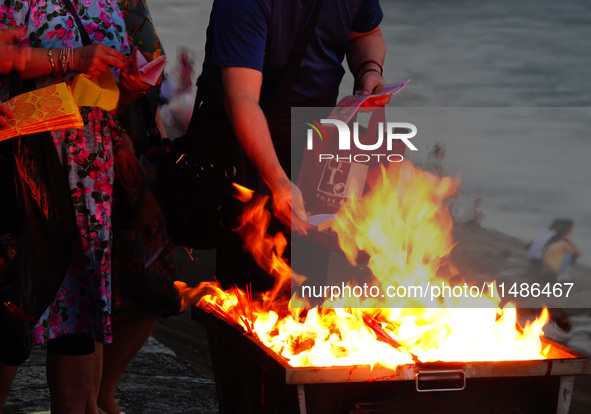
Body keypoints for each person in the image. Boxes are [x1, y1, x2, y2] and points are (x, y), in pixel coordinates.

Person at [0, 2, 148, 412]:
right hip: (26, 157)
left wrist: (128, 84)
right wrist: (70, 58)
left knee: (80, 303)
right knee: (15, 289)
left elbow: (106, 78)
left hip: (89, 169)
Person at [187, 0, 389, 293]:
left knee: (308, 281)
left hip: (312, 148)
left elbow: (366, 33)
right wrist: (278, 179)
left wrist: (369, 70)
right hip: (247, 154)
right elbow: (241, 99)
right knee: (252, 292)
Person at [96, 2, 182, 413]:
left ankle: (101, 392)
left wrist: (160, 149)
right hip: (74, 143)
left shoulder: (128, 3)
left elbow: (151, 73)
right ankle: (93, 396)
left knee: (154, 284)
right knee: (82, 286)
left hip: (134, 145)